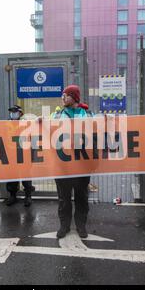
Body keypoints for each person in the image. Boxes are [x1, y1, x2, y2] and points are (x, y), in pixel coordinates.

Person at [49, 85, 93, 239]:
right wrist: (40, 123)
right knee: (64, 199)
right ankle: (64, 226)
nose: (63, 98)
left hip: (82, 164)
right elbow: (48, 129)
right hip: (63, 165)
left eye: (66, 95)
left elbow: (97, 131)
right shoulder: (57, 114)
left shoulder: (87, 114)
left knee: (82, 198)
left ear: (74, 97)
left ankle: (81, 226)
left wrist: (106, 121)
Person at [5, 105, 34, 207]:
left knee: (26, 175)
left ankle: (28, 196)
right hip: (11, 154)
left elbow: (31, 137)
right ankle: (12, 195)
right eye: (11, 111)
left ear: (20, 113)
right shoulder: (6, 124)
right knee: (12, 176)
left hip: (24, 154)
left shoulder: (25, 123)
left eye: (15, 111)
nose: (13, 113)